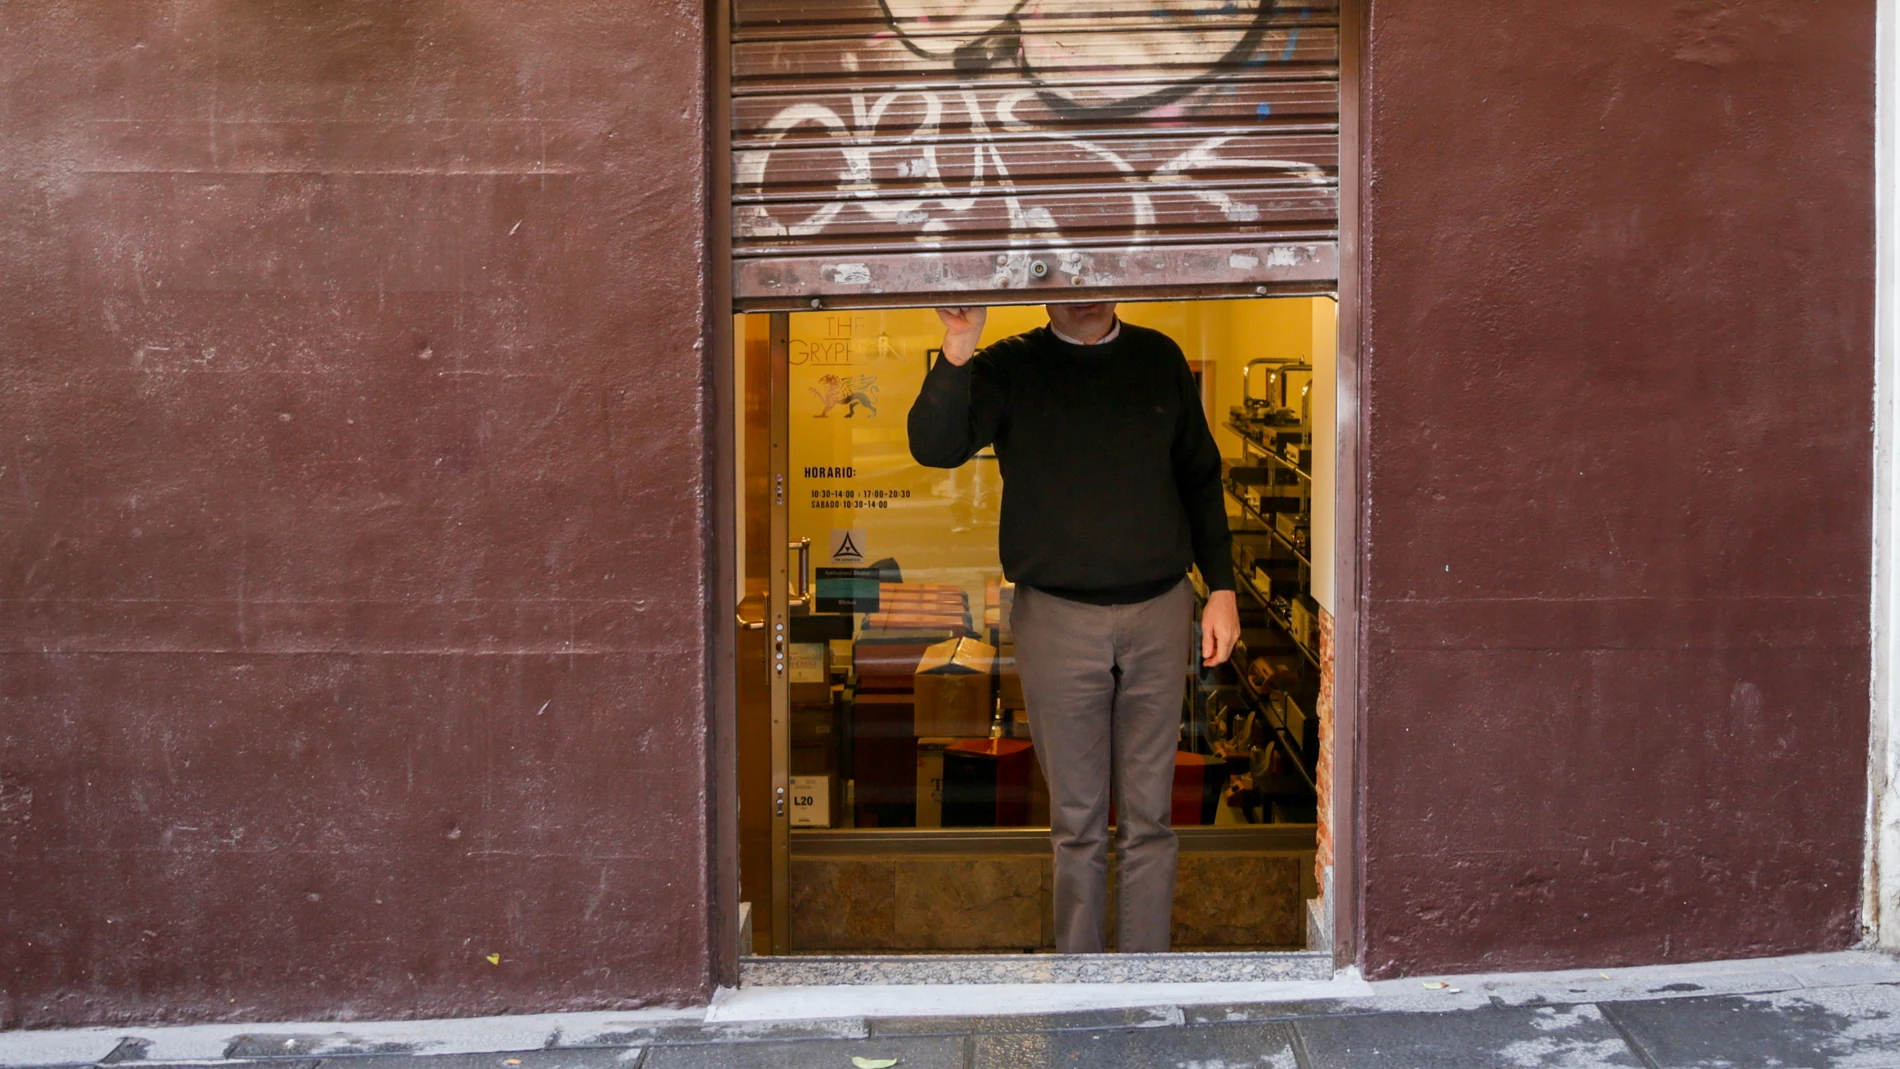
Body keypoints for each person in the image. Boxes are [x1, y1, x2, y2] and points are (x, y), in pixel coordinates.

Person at [908, 302, 1241, 954]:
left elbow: (1200, 476)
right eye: (1066, 272)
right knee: (1078, 822)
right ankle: (1082, 983)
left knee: (1151, 820)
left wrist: (1221, 586)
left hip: (1158, 612)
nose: (1084, 287)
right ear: (1042, 284)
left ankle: (1146, 979)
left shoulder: (1158, 358)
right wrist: (957, 345)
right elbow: (935, 445)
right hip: (1055, 618)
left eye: (1095, 269)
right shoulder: (1012, 363)